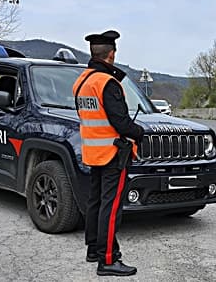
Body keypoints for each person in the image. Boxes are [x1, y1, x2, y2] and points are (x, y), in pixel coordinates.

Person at [72, 30, 144, 277]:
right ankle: (108, 259)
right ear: (111, 54)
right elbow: (122, 123)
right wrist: (140, 132)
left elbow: (90, 118)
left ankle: (94, 249)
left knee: (96, 201)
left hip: (92, 152)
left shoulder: (81, 82)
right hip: (113, 153)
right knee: (111, 207)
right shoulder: (107, 83)